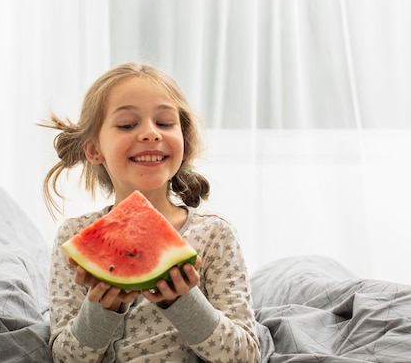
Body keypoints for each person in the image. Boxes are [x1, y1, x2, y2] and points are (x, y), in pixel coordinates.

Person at [41, 62, 260, 362]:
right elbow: (66, 357)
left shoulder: (214, 235)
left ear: (183, 137)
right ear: (94, 149)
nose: (150, 133)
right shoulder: (73, 236)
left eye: (166, 123)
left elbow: (245, 356)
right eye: (128, 124)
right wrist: (101, 311)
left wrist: (184, 302)